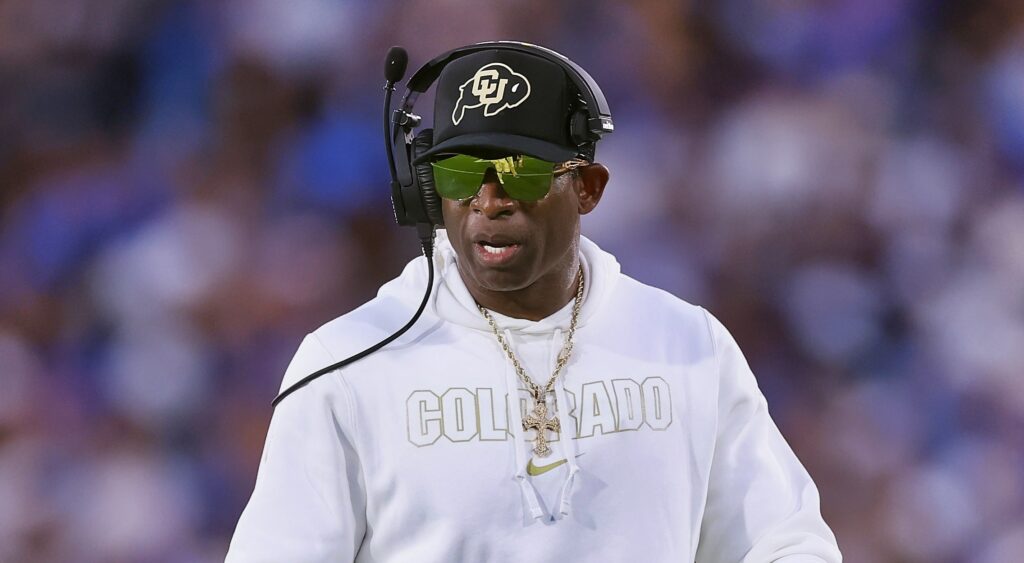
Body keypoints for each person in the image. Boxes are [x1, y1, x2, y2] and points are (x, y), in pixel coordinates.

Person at [226, 43, 842, 562]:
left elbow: (785, 542)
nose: (489, 200)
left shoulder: (686, 344)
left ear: (588, 187)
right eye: (461, 174)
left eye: (520, 172)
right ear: (425, 192)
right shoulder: (347, 364)